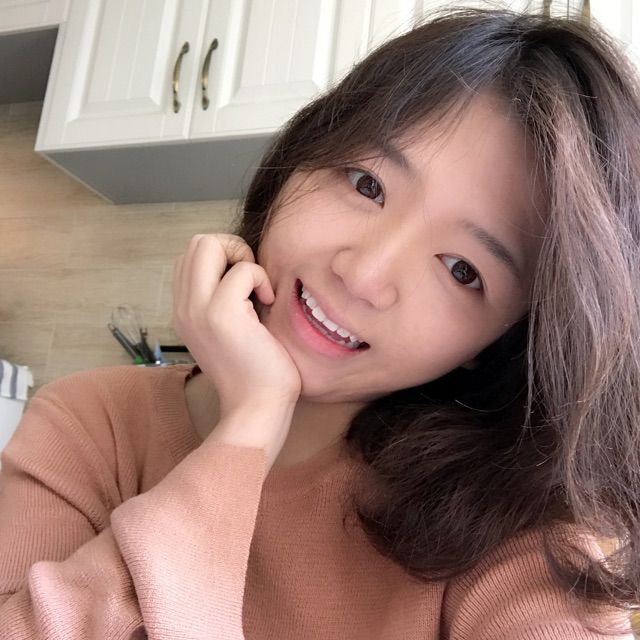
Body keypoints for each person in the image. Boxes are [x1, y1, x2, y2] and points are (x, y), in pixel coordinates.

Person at [1, 7, 639, 639]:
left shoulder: (517, 534)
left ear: (497, 343)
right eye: (366, 184)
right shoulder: (91, 423)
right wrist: (247, 430)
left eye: (462, 270)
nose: (363, 275)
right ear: (299, 160)